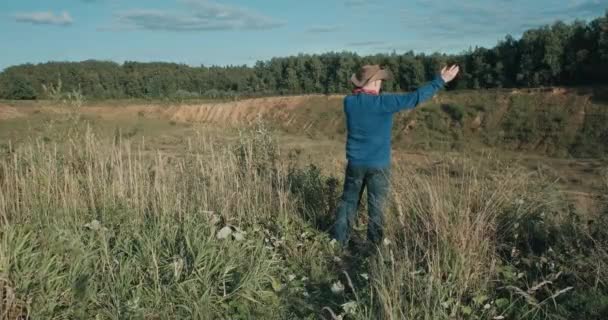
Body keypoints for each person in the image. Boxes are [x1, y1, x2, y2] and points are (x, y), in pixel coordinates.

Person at [331, 64, 460, 247]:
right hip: (379, 165)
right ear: (374, 82)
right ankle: (374, 244)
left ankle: (338, 241)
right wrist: (440, 81)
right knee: (377, 205)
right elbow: (415, 98)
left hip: (355, 163)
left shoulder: (349, 102)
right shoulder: (385, 102)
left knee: (348, 202)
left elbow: (360, 98)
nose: (382, 84)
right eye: (380, 81)